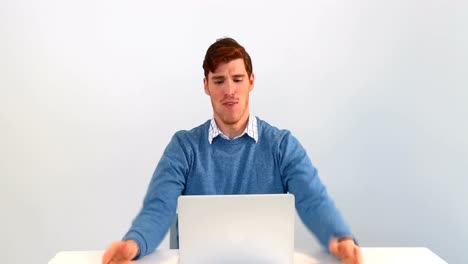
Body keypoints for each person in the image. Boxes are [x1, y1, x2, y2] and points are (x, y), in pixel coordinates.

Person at [102, 38, 363, 264]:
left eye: (237, 79)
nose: (229, 90)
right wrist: (132, 245)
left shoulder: (281, 146)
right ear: (206, 86)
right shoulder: (183, 147)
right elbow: (159, 208)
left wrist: (340, 238)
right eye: (219, 81)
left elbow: (313, 199)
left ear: (251, 81)